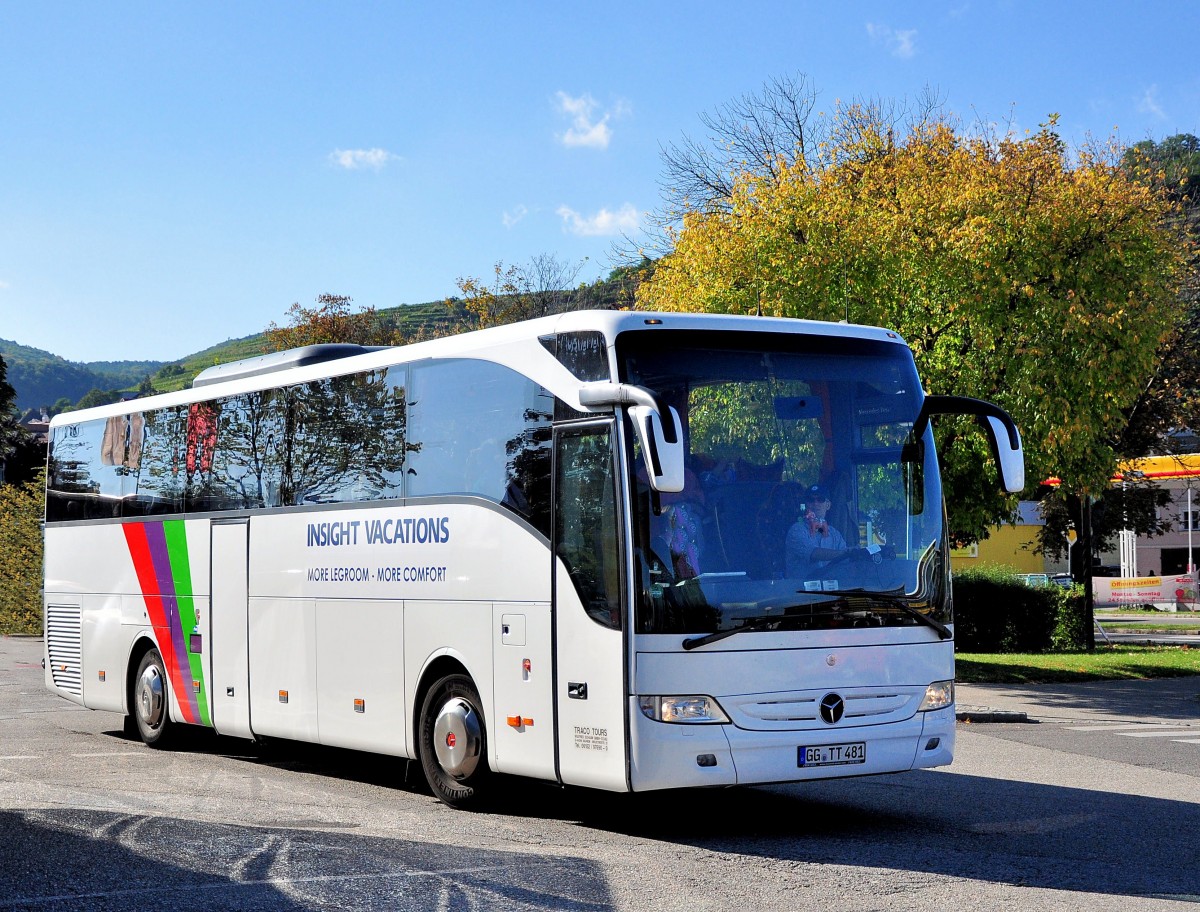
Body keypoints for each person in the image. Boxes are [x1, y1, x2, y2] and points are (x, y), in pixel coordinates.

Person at [785, 484, 848, 578]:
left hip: (832, 590)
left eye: (820, 499)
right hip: (799, 591)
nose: (815, 503)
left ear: (828, 505)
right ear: (806, 505)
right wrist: (847, 553)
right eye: (811, 500)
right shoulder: (797, 530)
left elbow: (846, 562)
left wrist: (856, 553)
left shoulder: (835, 534)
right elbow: (814, 553)